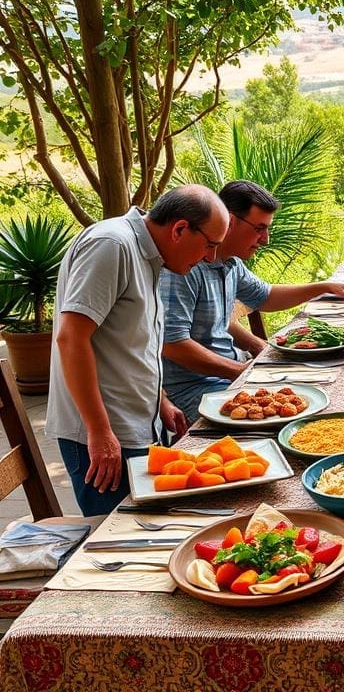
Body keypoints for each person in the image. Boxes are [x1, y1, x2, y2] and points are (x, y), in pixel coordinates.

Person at [47, 186, 230, 515]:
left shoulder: (149, 254)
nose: (210, 258)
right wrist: (100, 432)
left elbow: (130, 341)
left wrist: (160, 401)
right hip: (103, 436)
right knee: (119, 545)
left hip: (133, 426)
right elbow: (71, 338)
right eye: (210, 245)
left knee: (154, 529)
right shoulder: (111, 245)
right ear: (179, 229)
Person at [160, 180, 344, 421]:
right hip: (195, 389)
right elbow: (173, 344)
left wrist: (323, 287)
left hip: (230, 373)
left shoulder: (230, 264)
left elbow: (265, 297)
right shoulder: (186, 269)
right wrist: (241, 372)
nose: (265, 239)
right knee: (306, 414)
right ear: (230, 220)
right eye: (259, 228)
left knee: (327, 390)